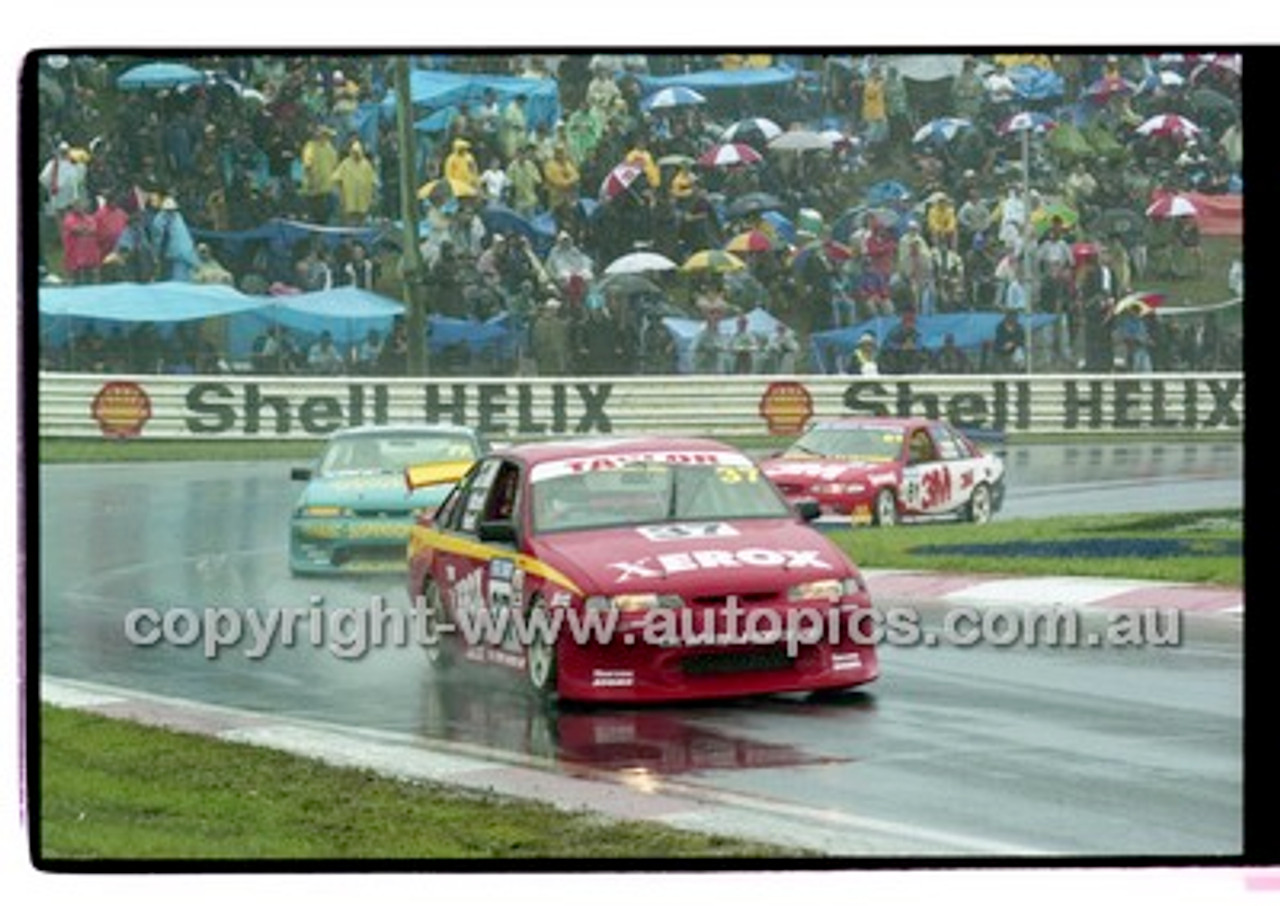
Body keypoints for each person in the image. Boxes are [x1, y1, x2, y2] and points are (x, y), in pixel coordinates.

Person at [329, 139, 379, 226]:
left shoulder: (366, 164)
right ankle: (349, 237)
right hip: (349, 199)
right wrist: (340, 195)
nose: (356, 154)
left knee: (361, 219)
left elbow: (373, 181)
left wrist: (373, 196)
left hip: (363, 199)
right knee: (349, 220)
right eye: (354, 152)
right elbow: (336, 179)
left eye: (358, 152)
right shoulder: (345, 164)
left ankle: (359, 237)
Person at [299, 123, 339, 224]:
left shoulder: (330, 147)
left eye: (328, 135)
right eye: (325, 135)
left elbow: (335, 165)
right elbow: (308, 166)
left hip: (327, 188)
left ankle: (320, 236)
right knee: (315, 215)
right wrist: (311, 182)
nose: (327, 137)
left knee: (325, 214)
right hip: (314, 189)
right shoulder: (310, 146)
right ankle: (314, 236)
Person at [530, 297, 571, 376]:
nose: (557, 311)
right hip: (547, 361)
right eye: (556, 309)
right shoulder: (540, 324)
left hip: (559, 362)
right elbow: (538, 343)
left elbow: (564, 342)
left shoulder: (559, 323)